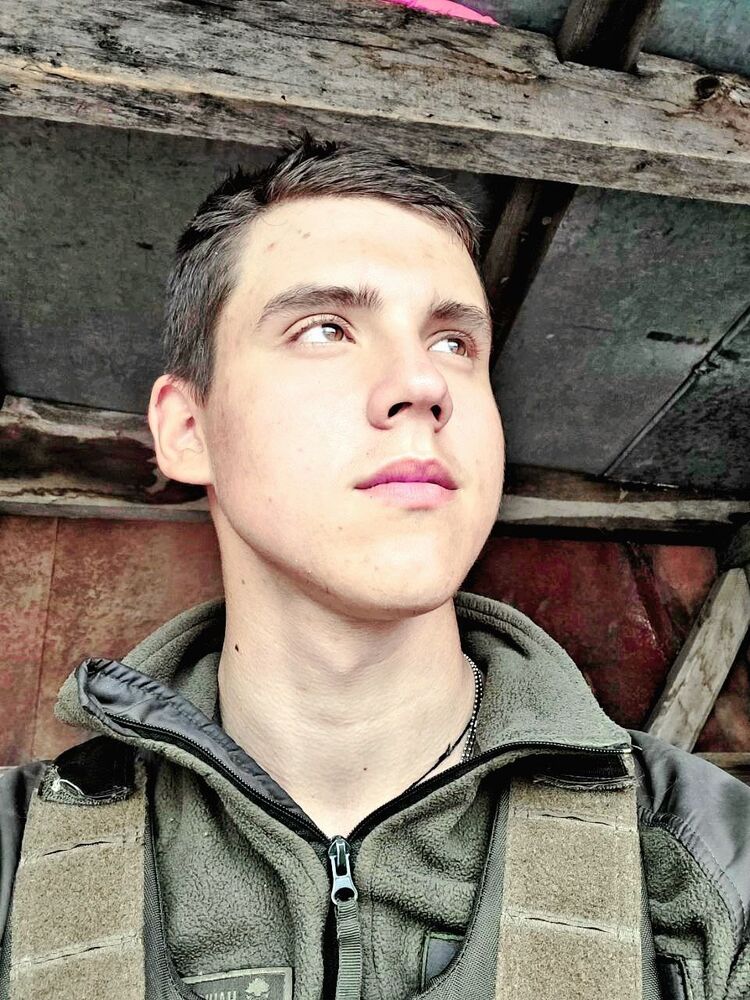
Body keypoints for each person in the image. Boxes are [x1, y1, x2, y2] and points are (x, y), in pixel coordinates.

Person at [1, 133, 748, 1000]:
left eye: (454, 342)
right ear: (189, 429)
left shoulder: (713, 865)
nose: (422, 384)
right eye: (326, 328)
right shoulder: (15, 864)